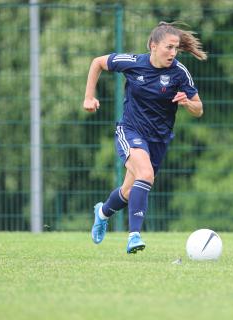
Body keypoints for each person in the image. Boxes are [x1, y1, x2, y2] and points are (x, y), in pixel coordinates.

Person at [83, 21, 207, 254]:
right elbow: (97, 62)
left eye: (176, 48)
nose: (173, 53)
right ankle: (134, 235)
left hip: (158, 140)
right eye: (168, 47)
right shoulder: (134, 63)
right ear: (153, 46)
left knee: (130, 191)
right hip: (130, 131)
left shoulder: (179, 73)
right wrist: (89, 97)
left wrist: (187, 103)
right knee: (146, 174)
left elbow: (199, 108)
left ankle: (102, 213)